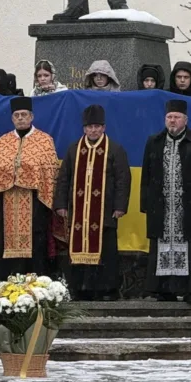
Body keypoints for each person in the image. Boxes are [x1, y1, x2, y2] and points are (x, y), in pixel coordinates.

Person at [54, 104, 130, 300]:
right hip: (79, 212)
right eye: (90, 127)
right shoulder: (74, 149)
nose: (93, 130)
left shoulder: (115, 149)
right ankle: (80, 289)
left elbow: (123, 179)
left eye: (97, 126)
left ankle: (107, 290)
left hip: (105, 212)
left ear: (104, 127)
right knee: (78, 252)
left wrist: (120, 206)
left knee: (106, 252)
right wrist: (61, 204)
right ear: (84, 128)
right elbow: (64, 178)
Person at [140, 100, 191, 304]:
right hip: (161, 206)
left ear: (185, 120)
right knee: (161, 244)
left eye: (176, 117)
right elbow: (146, 175)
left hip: (187, 206)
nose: (172, 120)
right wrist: (145, 204)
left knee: (188, 246)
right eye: (169, 117)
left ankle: (190, 289)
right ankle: (163, 289)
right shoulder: (154, 141)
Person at [0, 96, 60, 278]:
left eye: (24, 115)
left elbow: (50, 172)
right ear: (12, 119)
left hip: (35, 201)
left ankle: (37, 282)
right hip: (6, 201)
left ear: (32, 116)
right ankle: (7, 282)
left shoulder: (44, 140)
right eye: (16, 115)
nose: (20, 118)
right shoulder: (3, 141)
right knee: (5, 240)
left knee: (37, 240)